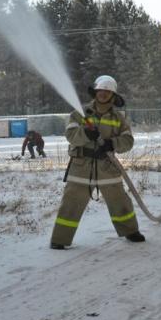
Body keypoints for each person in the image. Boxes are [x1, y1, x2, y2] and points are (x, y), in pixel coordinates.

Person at [50, 75, 143, 249]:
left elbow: (128, 141)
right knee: (71, 203)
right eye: (101, 91)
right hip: (81, 165)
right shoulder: (79, 114)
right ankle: (59, 239)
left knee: (120, 201)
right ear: (95, 92)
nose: (103, 94)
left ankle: (130, 231)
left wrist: (111, 143)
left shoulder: (118, 118)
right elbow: (71, 135)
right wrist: (85, 134)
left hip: (107, 165)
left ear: (113, 96)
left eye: (107, 92)